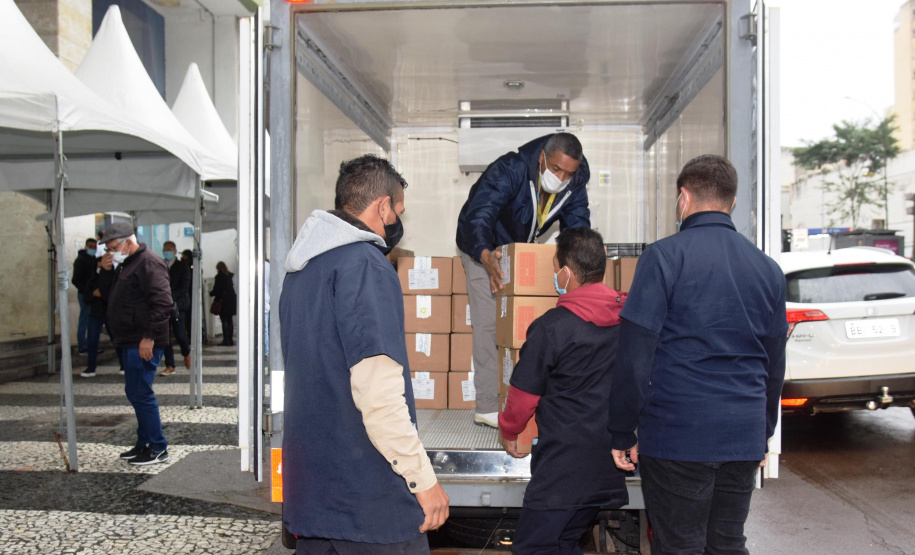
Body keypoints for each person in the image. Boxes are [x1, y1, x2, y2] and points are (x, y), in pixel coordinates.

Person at [608, 155, 788, 555]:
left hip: (678, 434)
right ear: (732, 202)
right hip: (742, 434)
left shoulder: (664, 257)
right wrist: (762, 432)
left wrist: (622, 430)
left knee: (680, 544)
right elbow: (775, 364)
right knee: (727, 543)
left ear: (683, 198)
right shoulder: (769, 270)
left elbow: (635, 356)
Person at [280, 154, 449, 554]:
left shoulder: (300, 271)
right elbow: (379, 395)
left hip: (314, 497)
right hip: (368, 503)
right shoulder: (366, 266)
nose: (398, 222)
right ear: (382, 207)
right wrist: (423, 480)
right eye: (398, 211)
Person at [499, 227, 628, 554]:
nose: (555, 276)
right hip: (607, 462)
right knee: (564, 541)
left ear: (567, 273)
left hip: (563, 467)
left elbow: (523, 395)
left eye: (556, 269)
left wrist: (509, 430)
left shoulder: (551, 327)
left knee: (533, 547)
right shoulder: (626, 322)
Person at [455, 132, 591, 428]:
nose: (561, 178)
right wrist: (484, 253)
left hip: (518, 247)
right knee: (489, 322)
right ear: (542, 157)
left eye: (568, 173)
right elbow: (480, 215)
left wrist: (582, 268)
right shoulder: (509, 169)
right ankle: (487, 406)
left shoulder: (575, 182)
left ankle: (532, 397)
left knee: (529, 323)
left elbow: (577, 227)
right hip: (480, 244)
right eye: (556, 169)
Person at [100, 222, 173, 466]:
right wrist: (106, 272)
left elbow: (163, 302)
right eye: (108, 249)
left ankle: (158, 447)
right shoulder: (128, 263)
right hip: (130, 338)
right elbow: (110, 296)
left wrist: (149, 337)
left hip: (142, 340)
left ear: (127, 243)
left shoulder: (148, 262)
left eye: (113, 248)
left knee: (141, 393)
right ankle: (144, 443)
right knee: (135, 392)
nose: (111, 253)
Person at [80, 260, 123, 378]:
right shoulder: (92, 280)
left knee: (117, 340)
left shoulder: (115, 279)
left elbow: (116, 296)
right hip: (95, 314)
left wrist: (103, 294)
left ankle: (123, 365)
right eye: (99, 265)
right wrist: (93, 294)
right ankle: (91, 367)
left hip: (110, 314)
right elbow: (86, 298)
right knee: (92, 341)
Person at [160, 241, 191, 376]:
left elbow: (184, 287)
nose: (168, 251)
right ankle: (170, 365)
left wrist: (169, 295)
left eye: (170, 249)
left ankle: (186, 353)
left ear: (175, 251)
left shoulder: (183, 266)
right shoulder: (160, 265)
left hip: (179, 305)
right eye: (165, 249)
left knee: (180, 334)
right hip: (163, 306)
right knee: (165, 337)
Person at [72, 237, 98, 354]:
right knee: (84, 319)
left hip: (93, 295)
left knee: (92, 320)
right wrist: (86, 291)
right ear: (86, 247)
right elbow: (75, 280)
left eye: (95, 247)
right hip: (85, 294)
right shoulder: (81, 260)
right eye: (91, 247)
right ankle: (82, 345)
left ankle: (90, 345)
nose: (93, 249)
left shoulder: (93, 260)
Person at [210, 261, 236, 347]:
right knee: (230, 321)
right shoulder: (231, 275)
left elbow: (216, 290)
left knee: (224, 320)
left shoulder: (219, 277)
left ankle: (226, 340)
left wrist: (211, 293)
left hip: (223, 302)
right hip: (231, 301)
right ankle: (231, 340)